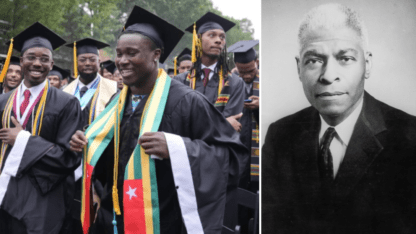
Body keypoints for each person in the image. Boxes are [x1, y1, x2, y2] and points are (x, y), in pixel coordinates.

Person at [69, 5, 246, 234]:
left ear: (156, 55)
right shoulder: (117, 101)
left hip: (165, 221)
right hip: (116, 218)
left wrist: (177, 148)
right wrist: (85, 142)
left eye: (132, 53)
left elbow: (233, 160)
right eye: (119, 53)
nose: (122, 61)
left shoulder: (187, 102)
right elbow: (111, 160)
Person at [262, 3, 416, 234]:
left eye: (345, 58)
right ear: (298, 68)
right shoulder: (280, 135)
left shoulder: (409, 138)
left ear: (367, 64)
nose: (328, 76)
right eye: (313, 60)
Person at [0, 22, 82, 234]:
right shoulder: (3, 101)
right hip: (4, 190)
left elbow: (69, 158)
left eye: (44, 59)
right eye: (31, 57)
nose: (37, 63)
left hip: (43, 197)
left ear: (52, 63)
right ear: (21, 61)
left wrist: (23, 140)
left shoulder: (67, 103)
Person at [63, 37, 118, 234]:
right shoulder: (64, 91)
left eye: (92, 59)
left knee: (99, 216)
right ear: (76, 62)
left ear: (99, 62)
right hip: (71, 162)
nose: (87, 63)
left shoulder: (114, 90)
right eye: (83, 59)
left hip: (102, 163)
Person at [173, 12, 245, 133]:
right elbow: (177, 123)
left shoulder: (235, 83)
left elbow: (231, 129)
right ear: (198, 40)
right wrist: (223, 124)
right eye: (211, 35)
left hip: (220, 151)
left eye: (222, 37)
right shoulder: (178, 81)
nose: (218, 40)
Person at [228, 40, 260, 190]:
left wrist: (261, 106)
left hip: (257, 147)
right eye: (242, 71)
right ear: (236, 67)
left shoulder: (268, 81)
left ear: (257, 62)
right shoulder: (228, 83)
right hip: (237, 145)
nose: (247, 76)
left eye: (251, 70)